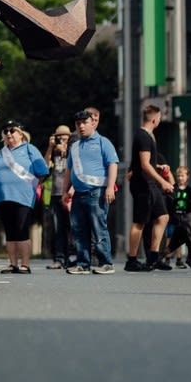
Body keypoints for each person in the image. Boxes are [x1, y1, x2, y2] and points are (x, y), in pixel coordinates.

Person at [64, 107, 118, 274]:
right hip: (78, 194)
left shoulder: (103, 142)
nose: (81, 126)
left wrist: (110, 187)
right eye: (78, 123)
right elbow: (68, 170)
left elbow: (113, 164)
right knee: (79, 230)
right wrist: (65, 191)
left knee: (98, 228)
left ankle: (106, 263)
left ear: (93, 123)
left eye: (84, 122)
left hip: (97, 192)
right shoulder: (74, 147)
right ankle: (83, 264)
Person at [0, 122, 49, 273]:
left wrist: (31, 186)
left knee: (21, 230)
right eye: (5, 131)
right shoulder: (2, 152)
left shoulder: (29, 148)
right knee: (10, 232)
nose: (8, 134)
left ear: (21, 134)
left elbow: (42, 171)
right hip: (2, 196)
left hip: (22, 196)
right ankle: (13, 264)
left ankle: (25, 264)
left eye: (12, 131)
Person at [126, 102, 175, 271]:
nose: (160, 120)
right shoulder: (143, 137)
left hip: (151, 184)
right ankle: (131, 260)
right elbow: (145, 165)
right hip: (143, 185)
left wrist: (159, 167)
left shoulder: (149, 136)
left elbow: (148, 163)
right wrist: (163, 181)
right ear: (154, 119)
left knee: (163, 217)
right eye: (159, 118)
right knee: (139, 222)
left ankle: (154, 257)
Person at [42, 125, 73, 269]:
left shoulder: (73, 149)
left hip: (70, 194)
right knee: (58, 228)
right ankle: (60, 258)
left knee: (73, 227)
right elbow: (45, 166)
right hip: (55, 194)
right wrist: (50, 147)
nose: (62, 140)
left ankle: (75, 257)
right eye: (59, 138)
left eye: (65, 138)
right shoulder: (53, 151)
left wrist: (65, 150)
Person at [168, 166, 191, 267]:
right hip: (173, 217)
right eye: (178, 176)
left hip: (185, 218)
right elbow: (170, 203)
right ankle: (167, 257)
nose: (180, 178)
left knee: (181, 238)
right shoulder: (173, 188)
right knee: (170, 237)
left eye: (182, 176)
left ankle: (179, 259)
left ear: (187, 176)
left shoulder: (190, 190)